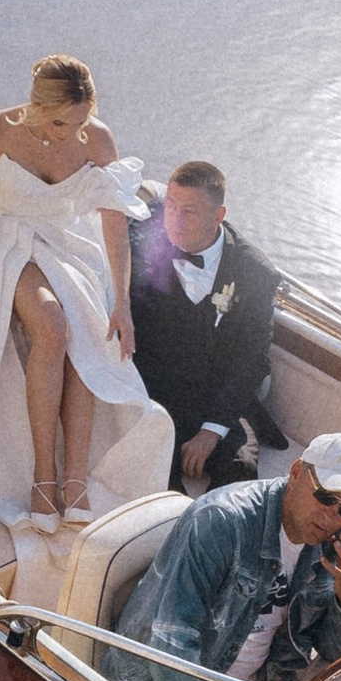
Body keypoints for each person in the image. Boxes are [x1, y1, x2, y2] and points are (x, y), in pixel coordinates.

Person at [0, 54, 170, 535]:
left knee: (88, 336)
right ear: (35, 106)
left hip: (72, 244)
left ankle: (75, 479)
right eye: (58, 121)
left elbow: (114, 224)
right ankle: (43, 475)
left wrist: (122, 302)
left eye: (78, 121)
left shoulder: (96, 139)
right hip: (10, 241)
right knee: (53, 328)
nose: (68, 133)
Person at [109, 435, 341, 681]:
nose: (332, 517)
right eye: (326, 497)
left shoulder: (329, 543)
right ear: (295, 473)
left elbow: (336, 653)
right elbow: (171, 643)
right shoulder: (221, 521)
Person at [125, 157, 286, 493]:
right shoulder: (141, 240)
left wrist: (212, 431)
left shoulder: (254, 273)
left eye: (189, 211)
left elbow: (253, 359)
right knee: (154, 476)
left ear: (219, 216)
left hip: (217, 397)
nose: (175, 219)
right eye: (171, 206)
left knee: (240, 470)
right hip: (155, 393)